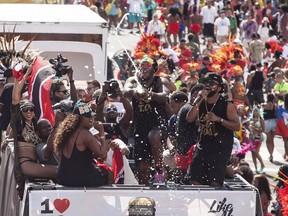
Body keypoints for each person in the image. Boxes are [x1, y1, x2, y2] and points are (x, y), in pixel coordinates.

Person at [186, 72, 240, 186]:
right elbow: (189, 119)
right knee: (194, 180)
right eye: (206, 82)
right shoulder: (201, 102)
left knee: (215, 182)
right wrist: (200, 99)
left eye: (212, 83)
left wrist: (219, 119)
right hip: (204, 144)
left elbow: (236, 126)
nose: (208, 85)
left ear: (219, 88)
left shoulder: (226, 105)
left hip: (221, 147)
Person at [10, 70, 57, 199]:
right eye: (26, 109)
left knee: (60, 169)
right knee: (58, 171)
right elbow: (15, 100)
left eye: (32, 109)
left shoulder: (35, 125)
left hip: (36, 162)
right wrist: (18, 79)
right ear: (21, 112)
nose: (29, 111)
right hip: (26, 164)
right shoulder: (19, 125)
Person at [123, 56, 170, 184]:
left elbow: (165, 96)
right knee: (142, 167)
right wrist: (136, 92)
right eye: (142, 65)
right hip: (140, 126)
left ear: (154, 69)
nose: (144, 68)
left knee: (153, 136)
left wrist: (151, 94)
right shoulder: (133, 80)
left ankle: (159, 170)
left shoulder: (161, 81)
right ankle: (144, 189)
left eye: (147, 66)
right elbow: (125, 91)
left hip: (158, 123)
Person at [54, 102, 110, 187]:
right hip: (82, 179)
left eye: (92, 116)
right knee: (110, 172)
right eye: (88, 116)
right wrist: (101, 131)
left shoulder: (66, 132)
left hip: (63, 177)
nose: (91, 118)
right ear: (79, 118)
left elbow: (77, 156)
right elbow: (102, 154)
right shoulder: (84, 134)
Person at [248, 106, 265, 173]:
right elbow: (248, 127)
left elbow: (262, 130)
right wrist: (249, 128)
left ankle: (262, 164)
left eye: (256, 111)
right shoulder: (251, 119)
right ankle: (255, 167)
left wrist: (254, 128)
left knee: (256, 152)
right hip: (251, 137)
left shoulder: (261, 119)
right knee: (252, 153)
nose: (255, 112)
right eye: (254, 111)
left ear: (259, 112)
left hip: (258, 137)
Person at [262, 93, 277, 163]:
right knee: (272, 140)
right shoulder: (275, 106)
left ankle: (270, 154)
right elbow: (276, 114)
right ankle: (272, 153)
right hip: (274, 122)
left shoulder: (264, 105)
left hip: (267, 123)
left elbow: (261, 114)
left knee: (268, 140)